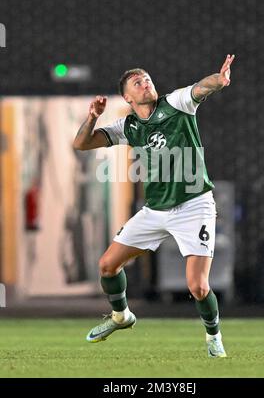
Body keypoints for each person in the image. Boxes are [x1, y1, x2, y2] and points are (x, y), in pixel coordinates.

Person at [73, 54, 235, 357]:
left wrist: (219, 80)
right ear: (127, 97)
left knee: (197, 286)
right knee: (107, 266)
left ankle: (214, 336)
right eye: (138, 82)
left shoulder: (175, 103)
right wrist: (93, 116)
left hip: (193, 205)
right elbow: (82, 143)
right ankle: (121, 316)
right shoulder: (128, 125)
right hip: (155, 210)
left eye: (147, 78)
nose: (145, 82)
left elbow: (201, 88)